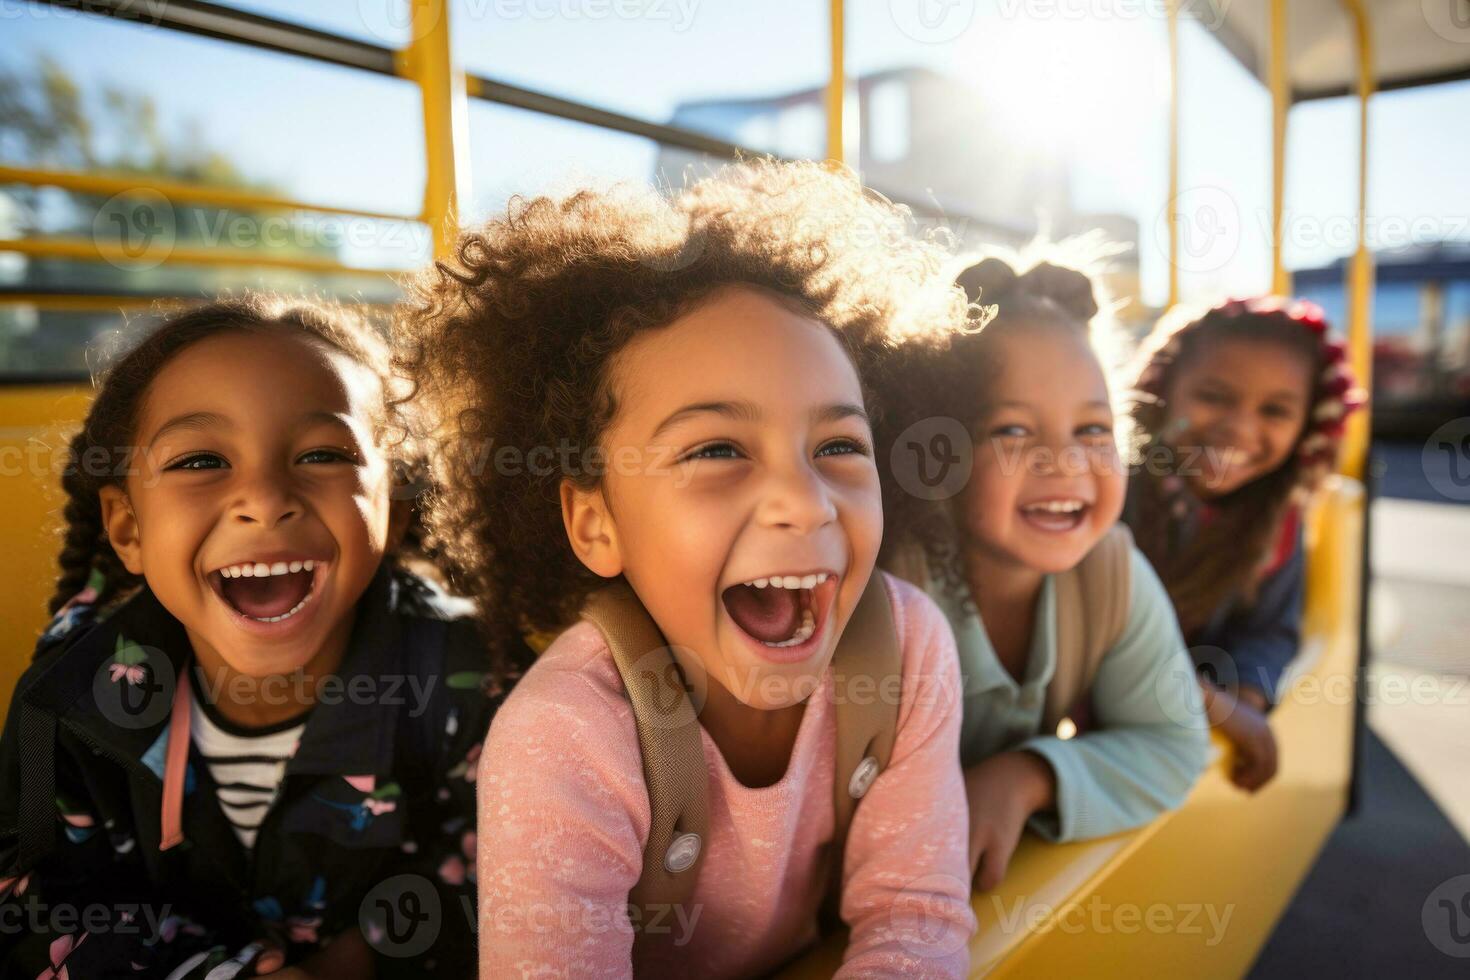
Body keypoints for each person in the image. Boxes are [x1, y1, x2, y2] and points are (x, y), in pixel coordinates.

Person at [398, 161, 978, 977]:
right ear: (595, 524)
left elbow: (914, 921)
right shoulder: (563, 736)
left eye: (839, 447)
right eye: (717, 450)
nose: (804, 503)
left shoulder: (908, 649)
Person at [0, 296, 525, 977]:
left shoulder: (471, 672)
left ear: (391, 512)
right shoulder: (70, 700)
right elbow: (35, 909)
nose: (265, 496)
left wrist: (358, 962)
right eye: (200, 462)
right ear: (128, 529)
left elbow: (517, 877)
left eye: (322, 454)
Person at [875, 256, 1209, 891]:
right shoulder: (892, 585)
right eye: (1012, 429)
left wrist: (1028, 777)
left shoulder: (1111, 574)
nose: (1064, 460)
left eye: (1091, 428)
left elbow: (1172, 744)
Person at [1125, 296, 1363, 791]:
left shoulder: (1277, 521)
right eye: (1213, 396)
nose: (1239, 429)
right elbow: (1093, 638)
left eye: (1275, 410)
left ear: (1308, 425)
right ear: (1163, 391)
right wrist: (1211, 704)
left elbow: (1270, 629)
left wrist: (1246, 699)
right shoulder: (1112, 489)